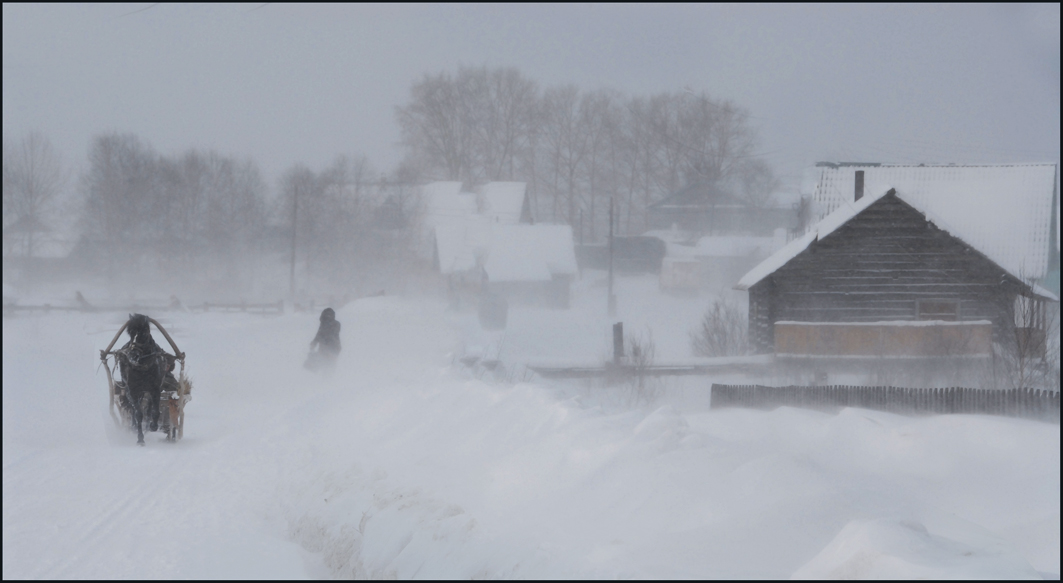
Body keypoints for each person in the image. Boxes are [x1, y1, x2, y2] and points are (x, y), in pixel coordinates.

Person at [305, 307, 341, 372]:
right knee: (329, 367)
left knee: (325, 366)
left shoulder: (326, 324)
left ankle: (324, 379)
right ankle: (328, 379)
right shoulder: (336, 324)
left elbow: (320, 334)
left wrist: (314, 343)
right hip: (334, 349)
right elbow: (320, 334)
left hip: (327, 349)